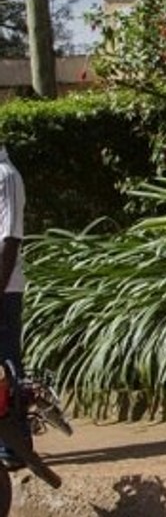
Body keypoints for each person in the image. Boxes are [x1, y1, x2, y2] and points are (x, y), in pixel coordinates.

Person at [0, 144, 28, 470]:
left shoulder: (6, 176)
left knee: (7, 365)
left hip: (4, 288)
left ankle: (14, 446)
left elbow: (10, 237)